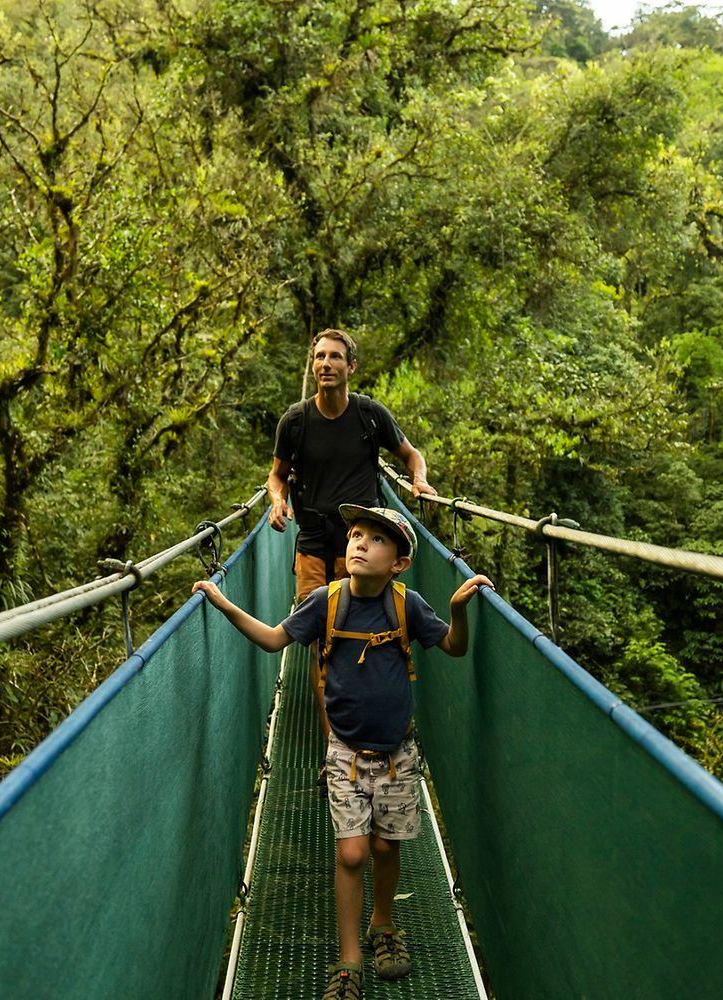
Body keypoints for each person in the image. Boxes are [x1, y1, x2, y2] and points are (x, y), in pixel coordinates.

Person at [194, 505, 490, 1000]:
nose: (359, 543)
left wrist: (458, 608)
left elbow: (455, 649)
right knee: (352, 852)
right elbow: (273, 640)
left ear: (398, 562)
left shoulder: (407, 605)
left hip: (397, 753)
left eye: (376, 539)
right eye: (355, 535)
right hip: (344, 753)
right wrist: (223, 603)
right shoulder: (323, 602)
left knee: (384, 847)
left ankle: (384, 923)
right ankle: (350, 958)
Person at [267, 328, 438, 735]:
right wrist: (278, 501)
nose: (326, 364)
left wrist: (420, 480)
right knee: (317, 640)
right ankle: (333, 744)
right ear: (313, 365)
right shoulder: (295, 421)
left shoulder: (369, 415)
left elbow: (411, 455)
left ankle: (362, 723)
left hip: (361, 541)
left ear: (351, 367)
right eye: (320, 357)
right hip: (311, 541)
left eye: (335, 357)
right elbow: (277, 476)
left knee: (356, 635)